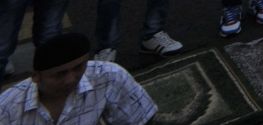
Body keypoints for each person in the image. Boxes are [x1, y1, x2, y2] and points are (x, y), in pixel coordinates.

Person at [0, 32, 158, 125]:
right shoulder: (7, 107)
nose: (71, 79)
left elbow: (141, 120)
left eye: (78, 68)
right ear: (36, 76)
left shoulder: (109, 76)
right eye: (60, 74)